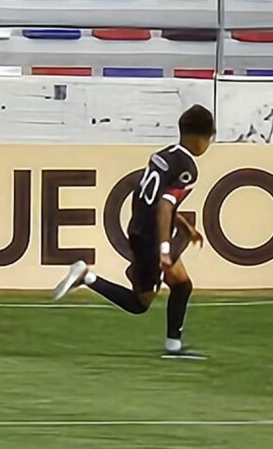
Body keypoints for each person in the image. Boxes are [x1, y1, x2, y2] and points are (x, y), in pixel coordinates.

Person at [51, 105, 215, 359]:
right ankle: (87, 277)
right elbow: (164, 205)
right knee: (140, 303)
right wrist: (163, 249)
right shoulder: (187, 169)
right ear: (201, 137)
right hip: (152, 238)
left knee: (182, 284)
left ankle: (174, 346)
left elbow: (147, 196)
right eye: (210, 138)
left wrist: (182, 225)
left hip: (142, 228)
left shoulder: (165, 155)